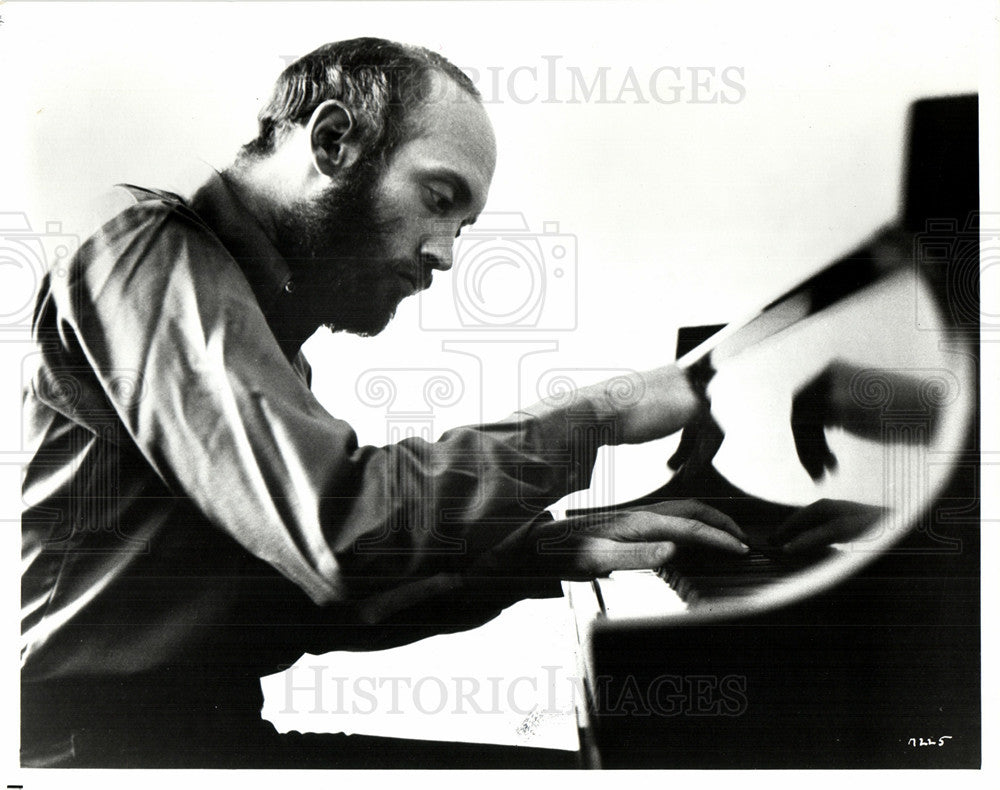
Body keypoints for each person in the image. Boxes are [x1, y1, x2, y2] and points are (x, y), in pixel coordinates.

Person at [20, 38, 752, 768]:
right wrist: (603, 414)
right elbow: (341, 529)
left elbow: (321, 597)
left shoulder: (266, 338)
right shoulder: (139, 245)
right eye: (439, 201)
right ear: (334, 141)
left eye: (461, 227)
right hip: (91, 756)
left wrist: (543, 548)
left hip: (195, 742)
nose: (444, 254)